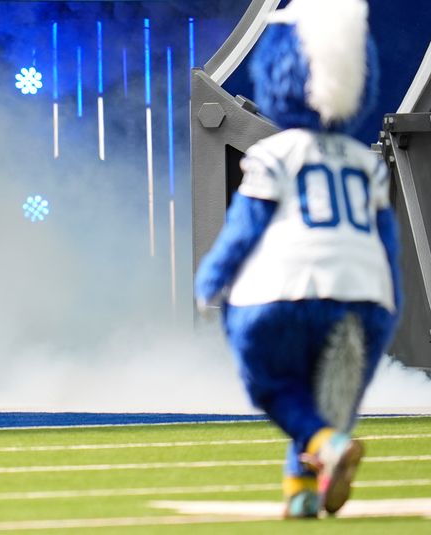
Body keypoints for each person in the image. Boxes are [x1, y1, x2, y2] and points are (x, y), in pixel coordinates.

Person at [194, 0, 401, 519]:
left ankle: (325, 448)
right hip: (366, 295)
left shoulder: (274, 153)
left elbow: (245, 229)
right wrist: (389, 303)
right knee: (328, 395)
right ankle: (301, 490)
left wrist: (211, 280)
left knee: (273, 383)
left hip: (289, 288)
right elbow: (388, 243)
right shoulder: (365, 162)